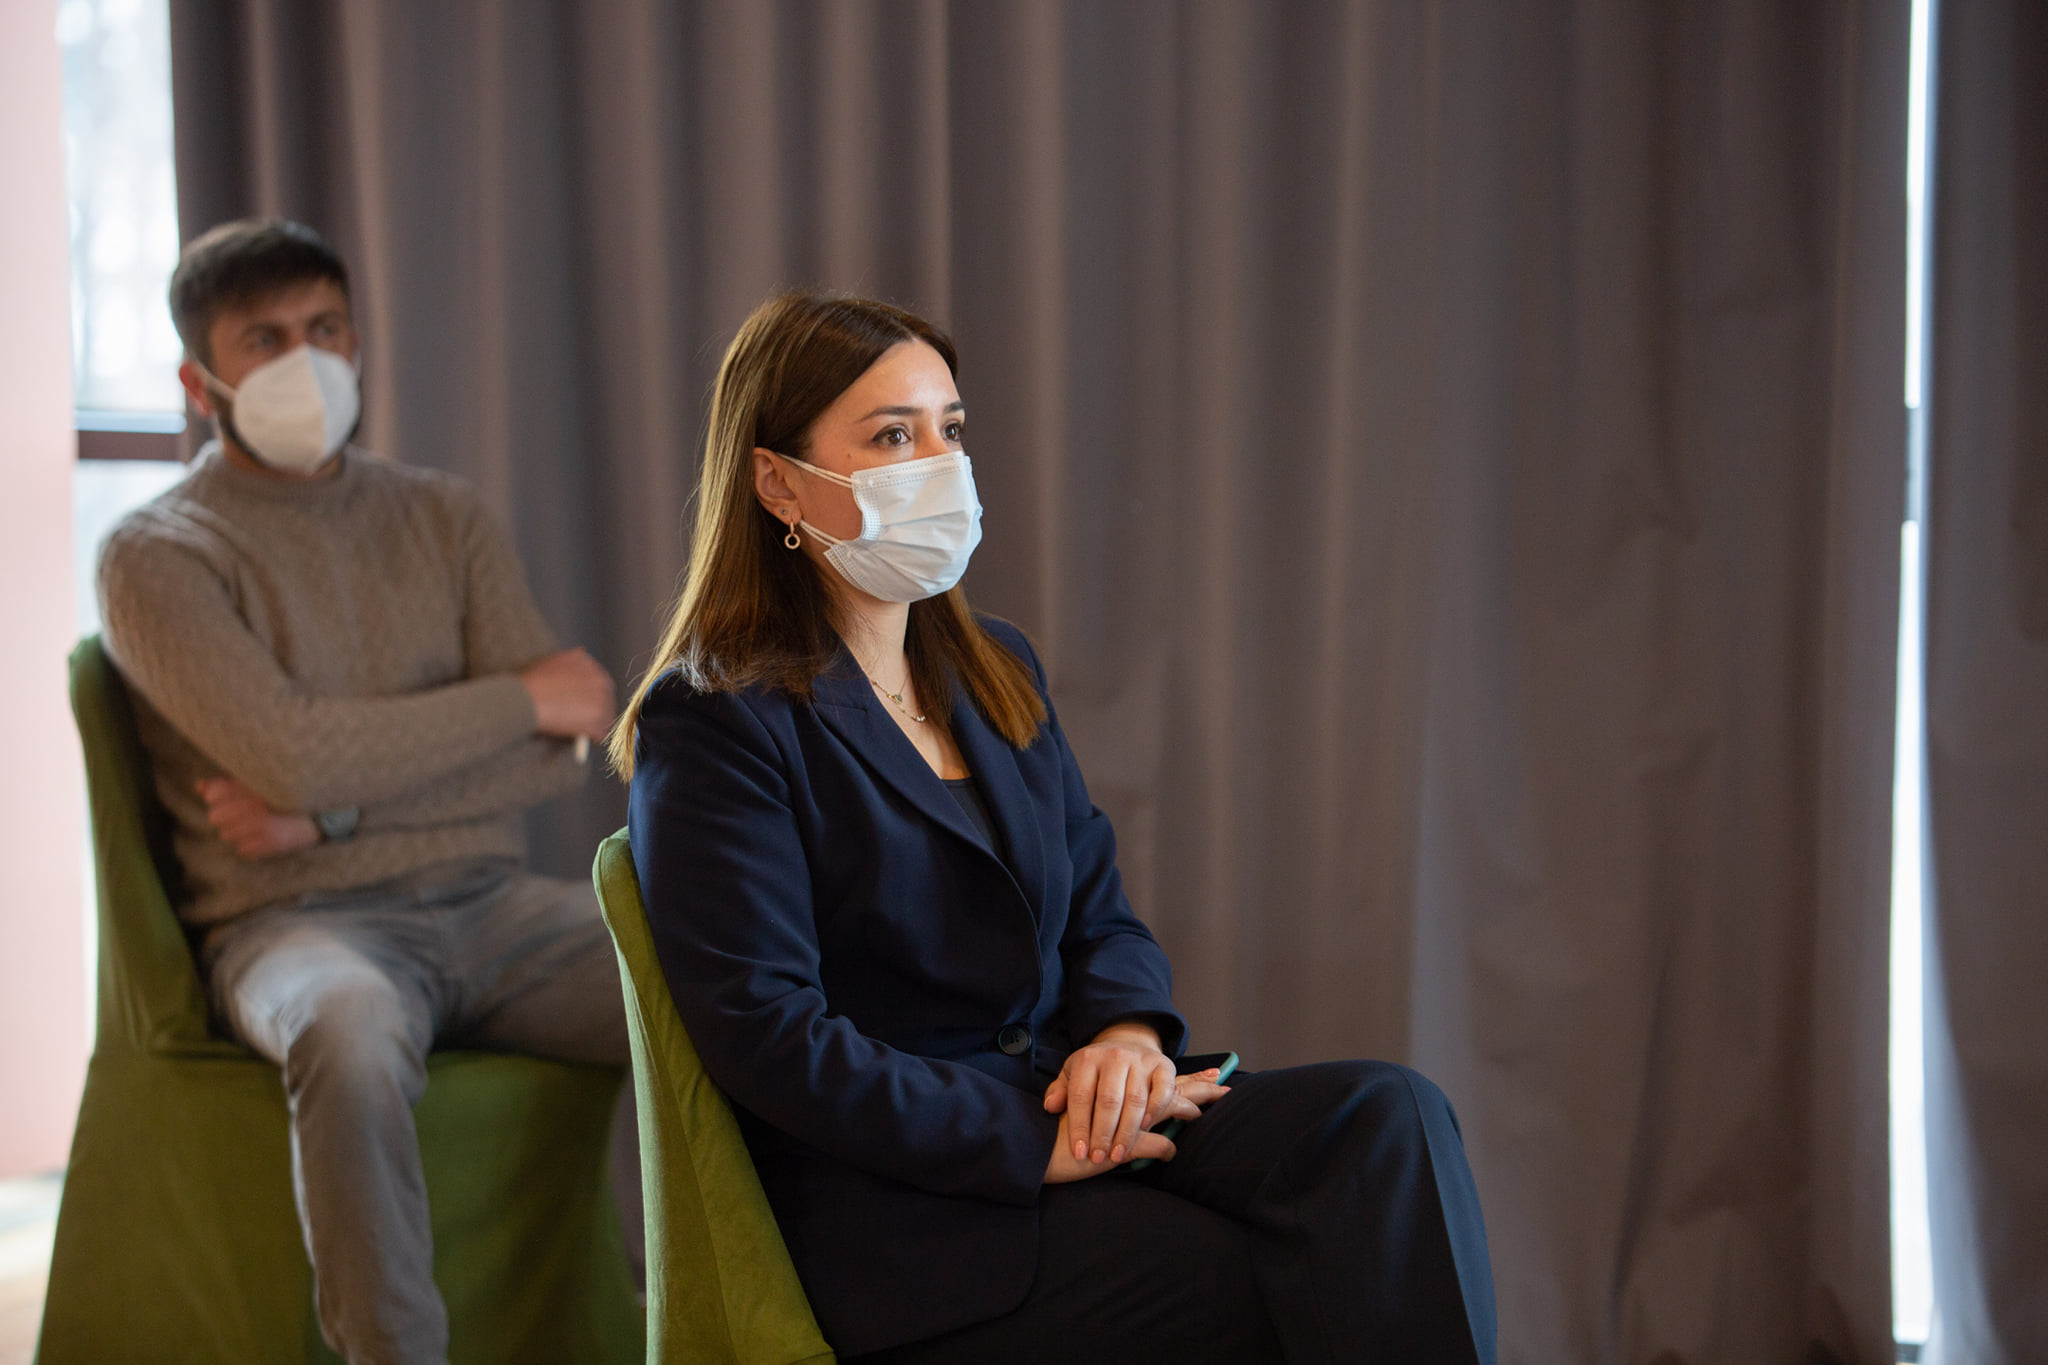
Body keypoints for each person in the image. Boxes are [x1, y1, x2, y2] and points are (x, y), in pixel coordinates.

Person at [614, 291, 1499, 1363]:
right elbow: (770, 1037)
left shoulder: (993, 667)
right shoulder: (715, 716)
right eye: (891, 436)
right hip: (911, 1207)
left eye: (949, 428)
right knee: (1268, 1272)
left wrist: (1125, 1040)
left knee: (1389, 1118)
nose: (939, 461)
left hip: (1070, 1110)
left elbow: (1098, 913)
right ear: (776, 481)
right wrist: (1027, 1139)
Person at [97, 217, 631, 1365]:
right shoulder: (153, 553)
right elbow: (292, 756)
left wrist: (332, 813)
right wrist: (516, 699)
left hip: (494, 906)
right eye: (266, 339)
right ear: (198, 383)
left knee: (721, 966)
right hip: (292, 926)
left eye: (327, 329)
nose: (309, 361)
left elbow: (563, 743)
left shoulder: (444, 514)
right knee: (343, 1033)